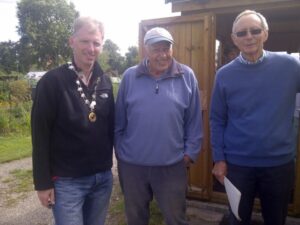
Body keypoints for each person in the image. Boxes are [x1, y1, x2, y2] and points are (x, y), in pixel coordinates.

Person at [210, 9, 300, 225]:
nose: (248, 36)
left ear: (265, 34)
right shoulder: (224, 75)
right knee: (238, 219)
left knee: (276, 219)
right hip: (238, 165)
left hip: (279, 164)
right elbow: (217, 119)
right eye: (241, 33)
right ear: (234, 39)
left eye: (255, 30)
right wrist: (219, 159)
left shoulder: (290, 67)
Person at [115, 27, 203, 225]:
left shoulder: (186, 76)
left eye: (166, 48)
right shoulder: (130, 77)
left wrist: (190, 153)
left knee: (176, 218)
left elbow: (194, 120)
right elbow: (119, 121)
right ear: (146, 49)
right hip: (133, 167)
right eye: (156, 49)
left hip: (172, 166)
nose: (162, 55)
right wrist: (121, 152)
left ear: (172, 49)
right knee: (136, 218)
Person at [31, 17, 114, 225]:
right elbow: (40, 134)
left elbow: (111, 127)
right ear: (72, 42)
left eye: (96, 43)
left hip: (102, 179)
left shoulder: (104, 81)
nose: (91, 48)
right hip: (68, 182)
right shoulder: (52, 81)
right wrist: (42, 183)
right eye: (85, 41)